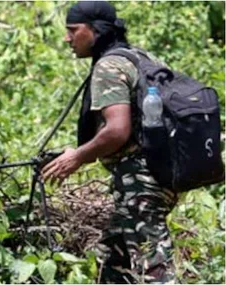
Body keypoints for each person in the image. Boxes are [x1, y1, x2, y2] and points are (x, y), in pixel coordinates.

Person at [41, 2, 177, 284]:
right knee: (113, 264)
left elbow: (117, 130)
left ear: (96, 30)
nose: (67, 38)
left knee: (154, 269)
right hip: (160, 173)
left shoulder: (109, 65)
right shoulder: (140, 57)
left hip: (140, 181)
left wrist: (77, 156)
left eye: (73, 30)